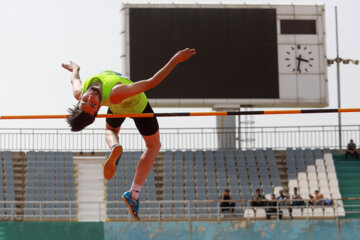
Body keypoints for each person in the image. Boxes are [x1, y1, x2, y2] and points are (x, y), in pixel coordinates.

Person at [62, 48, 196, 221]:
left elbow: (75, 79)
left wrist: (75, 69)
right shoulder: (116, 93)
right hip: (137, 106)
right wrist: (174, 60)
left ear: (79, 99)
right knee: (154, 146)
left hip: (117, 106)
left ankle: (115, 149)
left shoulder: (79, 92)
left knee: (111, 130)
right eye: (93, 104)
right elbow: (151, 82)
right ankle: (132, 193)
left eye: (87, 100)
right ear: (99, 109)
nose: (90, 97)